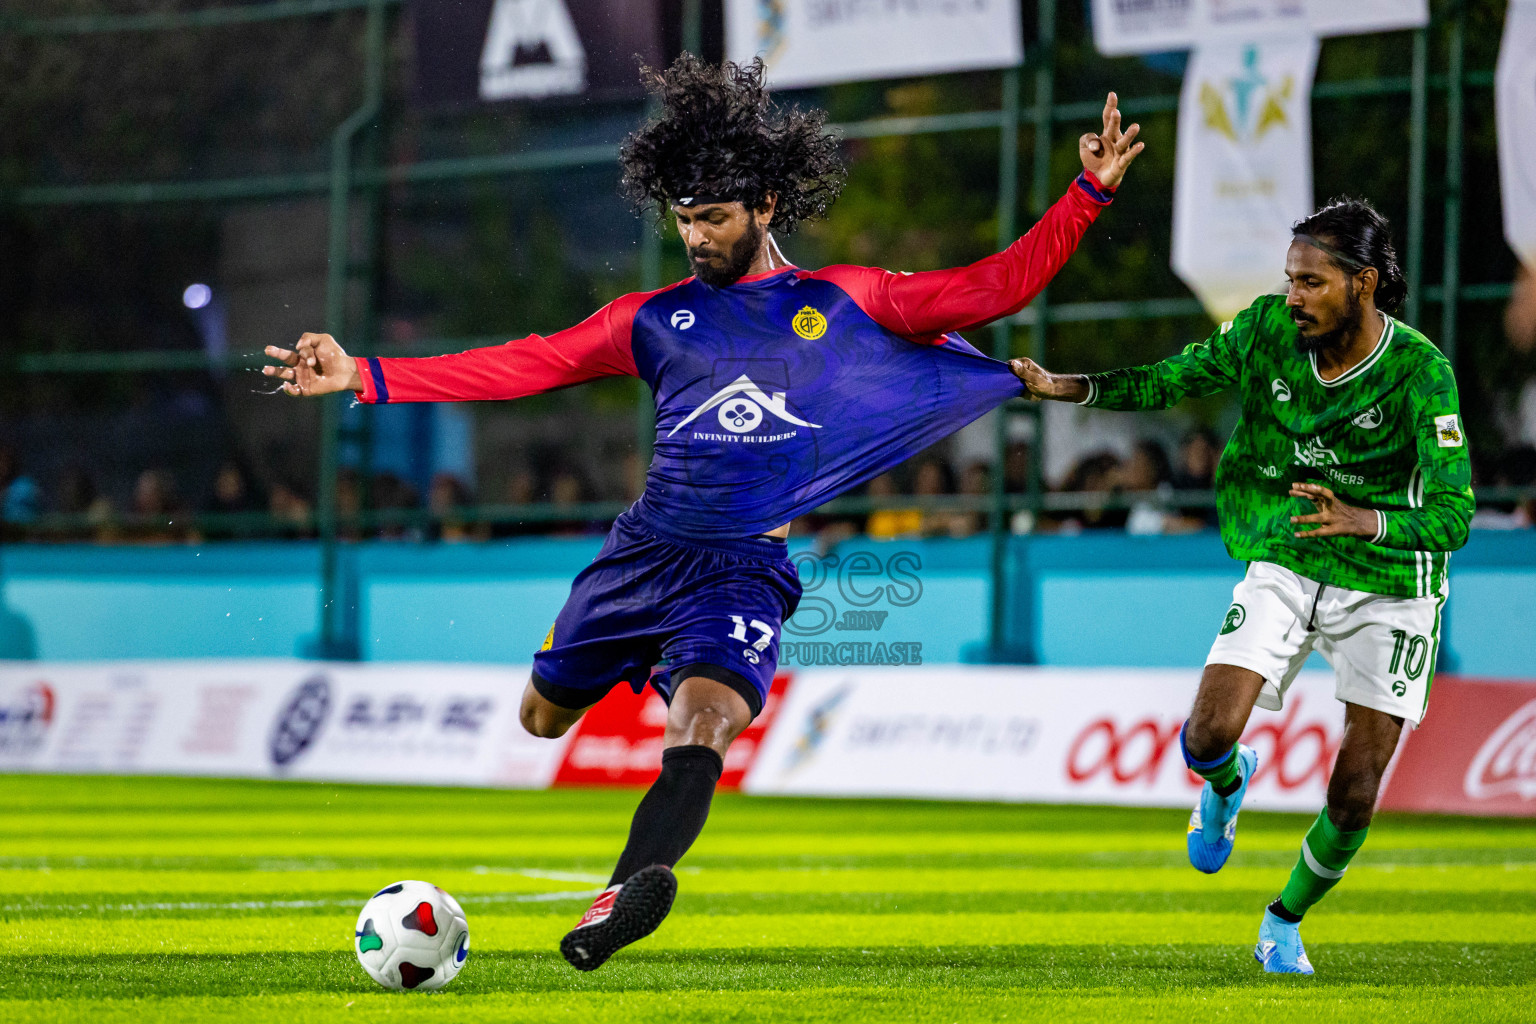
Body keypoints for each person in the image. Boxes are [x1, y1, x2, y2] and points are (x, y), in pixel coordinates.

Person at [263, 56, 1142, 972]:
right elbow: (528, 362)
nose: (695, 237)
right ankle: (620, 684)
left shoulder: (845, 299)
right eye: (683, 220)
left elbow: (993, 286)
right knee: (540, 719)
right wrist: (365, 374)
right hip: (641, 557)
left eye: (713, 218)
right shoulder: (650, 319)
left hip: (742, 570)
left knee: (704, 724)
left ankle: (617, 900)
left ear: (766, 205)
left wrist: (1087, 193)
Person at [1014, 197, 1474, 974]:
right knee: (1205, 736)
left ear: (1363, 284)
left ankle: (1283, 921)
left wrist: (1370, 521)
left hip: (1392, 580)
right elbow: (1174, 379)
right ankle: (1229, 784)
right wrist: (1069, 387)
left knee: (1355, 790)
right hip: (1289, 552)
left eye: (1312, 283)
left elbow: (1456, 510)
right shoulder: (1266, 329)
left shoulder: (1421, 373)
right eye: (1290, 279)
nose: (1292, 296)